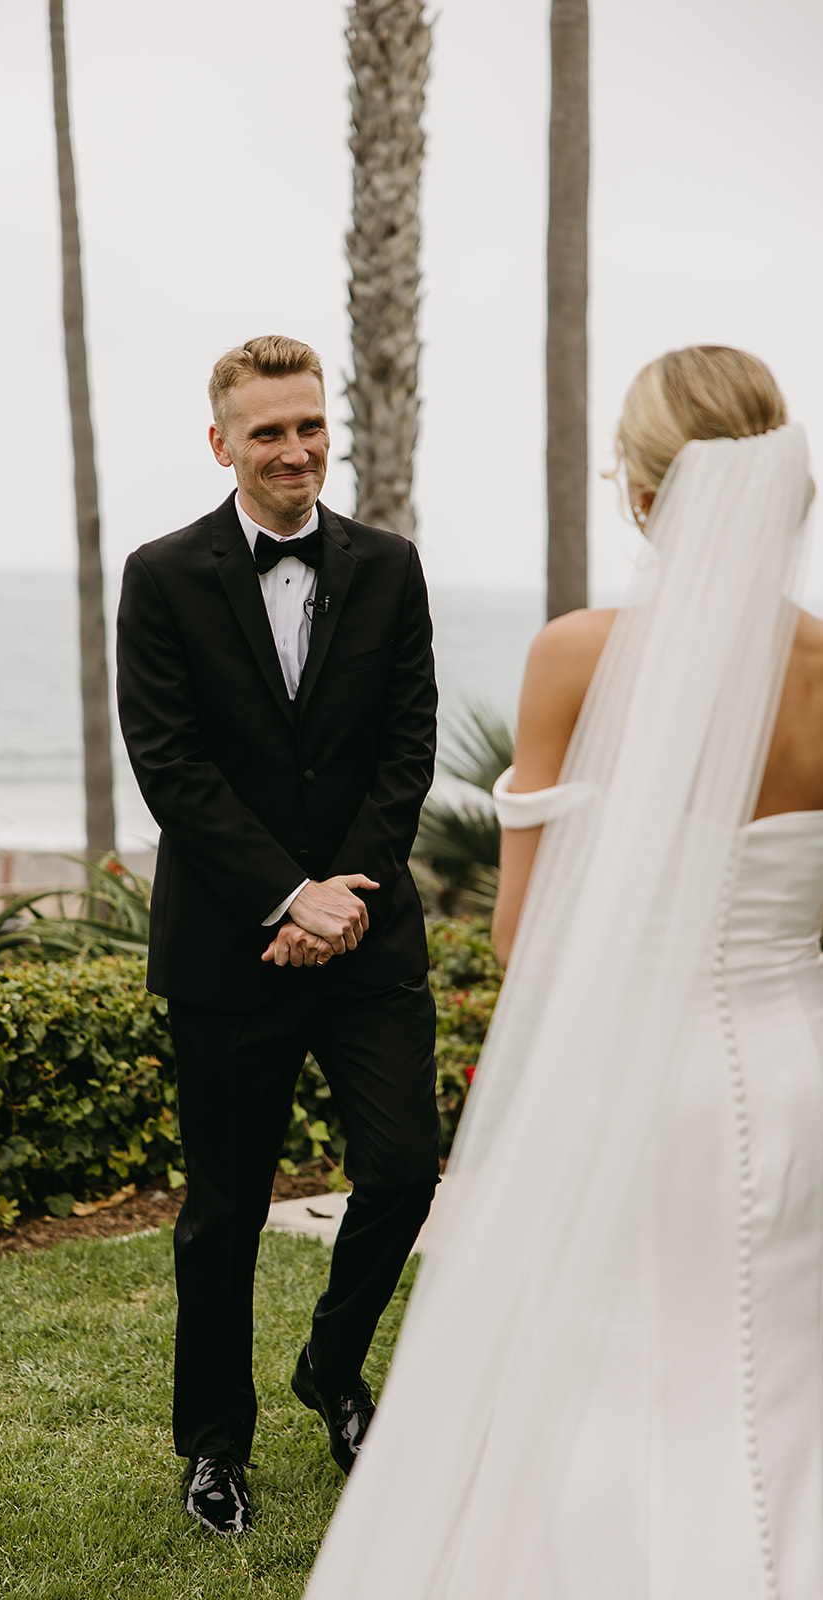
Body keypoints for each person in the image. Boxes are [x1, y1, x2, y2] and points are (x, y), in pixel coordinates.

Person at [304, 346, 823, 1598]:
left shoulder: (574, 656)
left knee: (614, 1372)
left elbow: (522, 939)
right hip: (797, 1073)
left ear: (644, 496)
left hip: (637, 1085)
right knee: (780, 1369)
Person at [115, 334, 440, 1536]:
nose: (294, 448)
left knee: (404, 1168)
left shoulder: (391, 567)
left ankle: (332, 1363)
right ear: (221, 444)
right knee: (223, 1211)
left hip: (369, 940)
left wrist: (342, 897)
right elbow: (171, 765)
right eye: (268, 431)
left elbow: (409, 737)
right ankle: (213, 1447)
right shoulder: (160, 577)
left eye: (308, 425)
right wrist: (284, 895)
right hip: (229, 949)